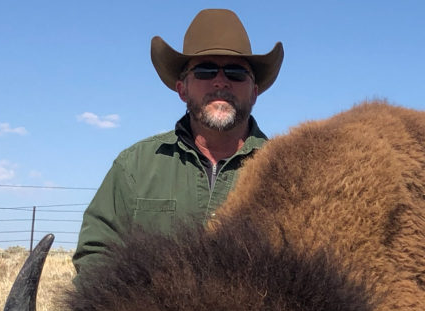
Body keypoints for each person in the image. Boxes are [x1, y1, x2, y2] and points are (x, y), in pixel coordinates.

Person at [72, 9, 283, 277]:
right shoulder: (135, 167)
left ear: (254, 93)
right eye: (205, 71)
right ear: (182, 89)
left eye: (236, 72)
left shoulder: (287, 171)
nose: (221, 81)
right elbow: (96, 252)